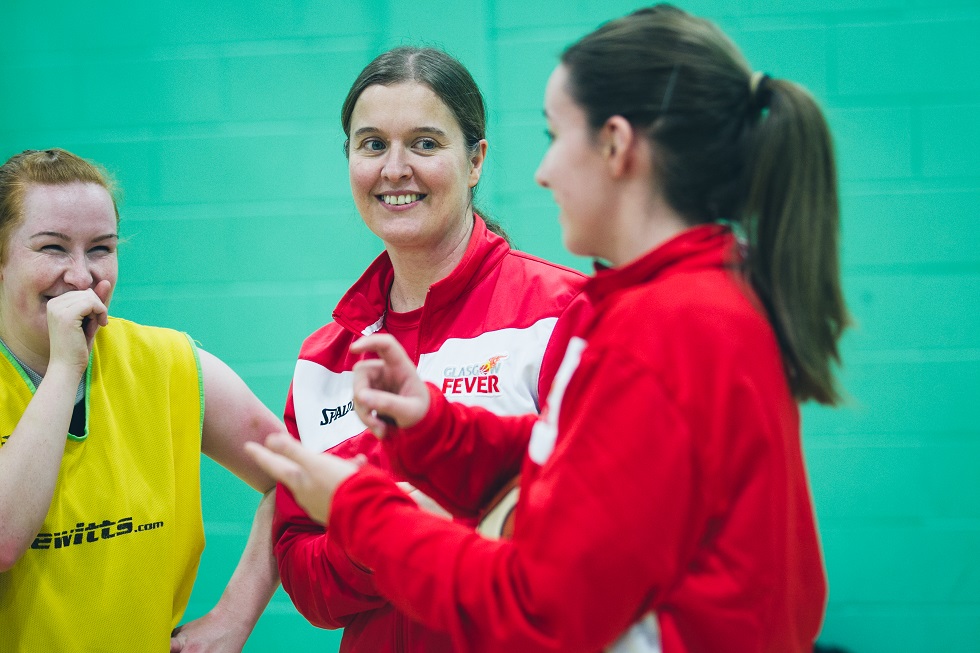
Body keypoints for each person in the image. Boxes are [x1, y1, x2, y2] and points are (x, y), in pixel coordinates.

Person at [248, 5, 849, 653]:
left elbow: (539, 608)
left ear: (616, 145)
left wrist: (360, 510)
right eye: (372, 144)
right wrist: (435, 428)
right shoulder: (674, 303)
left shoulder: (661, 326)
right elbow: (570, 459)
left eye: (555, 135)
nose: (543, 171)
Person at [271, 45, 589, 652]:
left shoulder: (562, 313)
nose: (394, 169)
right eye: (371, 145)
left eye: (424, 143)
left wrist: (403, 528)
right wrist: (380, 539)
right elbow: (304, 577)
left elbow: (599, 534)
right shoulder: (326, 357)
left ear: (475, 162)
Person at [0, 148, 282, 652]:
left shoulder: (170, 362)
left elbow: (304, 479)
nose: (82, 276)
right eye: (52, 248)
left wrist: (235, 615)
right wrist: (66, 369)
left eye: (101, 248)